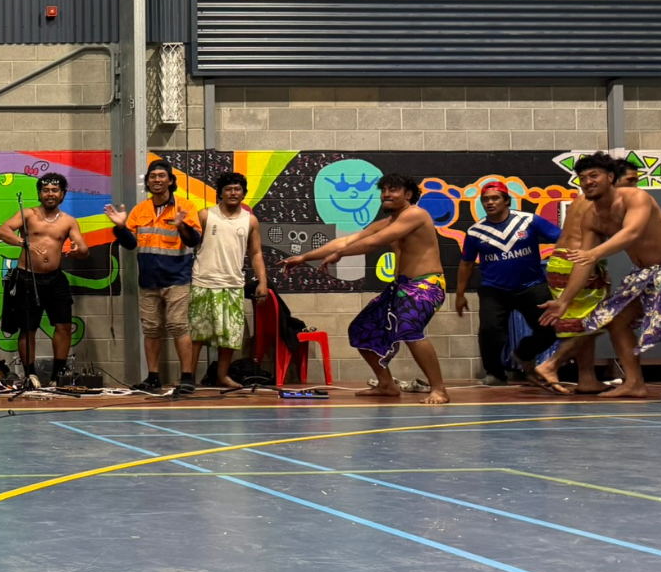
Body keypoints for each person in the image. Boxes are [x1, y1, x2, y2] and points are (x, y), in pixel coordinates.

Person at [283, 174, 452, 404]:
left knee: (409, 327)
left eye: (393, 190)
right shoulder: (389, 221)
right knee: (361, 329)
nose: (386, 195)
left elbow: (373, 243)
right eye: (383, 190)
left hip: (427, 284)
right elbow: (347, 241)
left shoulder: (415, 214)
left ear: (408, 194)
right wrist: (304, 257)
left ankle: (439, 389)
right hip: (401, 287)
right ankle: (386, 384)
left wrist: (339, 255)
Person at [535, 155, 661, 398]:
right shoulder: (591, 218)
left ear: (611, 178)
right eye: (583, 178)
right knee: (615, 320)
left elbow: (632, 232)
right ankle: (635, 383)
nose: (588, 182)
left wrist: (593, 254)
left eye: (594, 176)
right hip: (645, 274)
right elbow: (584, 262)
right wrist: (564, 301)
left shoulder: (636, 198)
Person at [102, 160, 201, 393]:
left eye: (161, 176)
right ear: (147, 181)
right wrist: (119, 227)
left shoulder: (185, 207)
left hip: (177, 278)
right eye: (152, 176)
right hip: (148, 281)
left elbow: (194, 240)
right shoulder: (140, 210)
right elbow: (130, 244)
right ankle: (153, 376)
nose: (157, 180)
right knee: (151, 329)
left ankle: (187, 377)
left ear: (170, 181)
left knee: (178, 326)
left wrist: (181, 226)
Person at [453, 181, 560, 386]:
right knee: (489, 331)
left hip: (532, 285)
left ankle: (523, 353)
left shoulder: (529, 221)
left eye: (495, 198)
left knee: (551, 327)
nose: (490, 202)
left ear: (506, 201)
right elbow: (466, 263)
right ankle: (495, 373)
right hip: (494, 289)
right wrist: (459, 294)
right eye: (485, 199)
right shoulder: (476, 232)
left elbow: (561, 238)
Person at [0, 173, 90, 386]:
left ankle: (59, 374)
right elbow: (3, 231)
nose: (50, 194)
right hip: (26, 278)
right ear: (39, 193)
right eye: (46, 190)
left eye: (55, 190)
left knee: (64, 325)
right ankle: (31, 375)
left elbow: (83, 247)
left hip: (55, 279)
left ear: (62, 194)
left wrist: (79, 250)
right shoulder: (28, 214)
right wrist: (24, 242)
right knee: (28, 328)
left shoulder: (68, 221)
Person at [188, 173, 268, 389]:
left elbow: (256, 253)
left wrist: (263, 282)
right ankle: (188, 377)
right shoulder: (205, 215)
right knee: (197, 334)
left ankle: (222, 376)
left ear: (243, 192)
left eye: (238, 189)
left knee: (230, 335)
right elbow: (189, 244)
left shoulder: (250, 220)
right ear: (220, 193)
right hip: (203, 282)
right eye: (228, 189)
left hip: (233, 284)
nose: (233, 193)